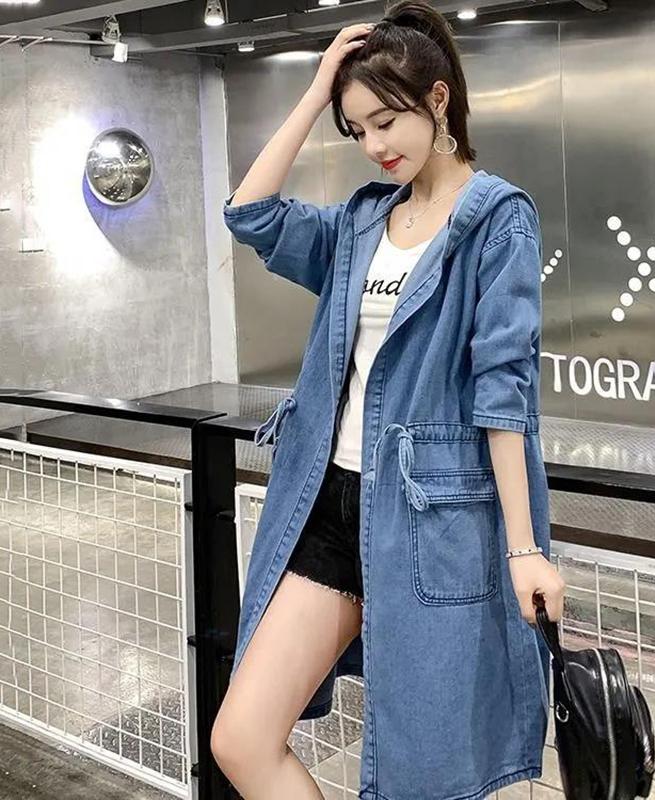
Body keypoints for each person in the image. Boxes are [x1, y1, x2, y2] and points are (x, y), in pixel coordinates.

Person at [211, 2, 567, 798]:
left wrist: (524, 548)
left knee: (420, 776)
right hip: (330, 505)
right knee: (240, 738)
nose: (374, 146)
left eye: (386, 121)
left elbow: (504, 394)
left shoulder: (497, 220)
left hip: (431, 518)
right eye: (357, 130)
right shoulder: (362, 220)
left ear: (439, 101)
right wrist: (316, 93)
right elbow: (251, 214)